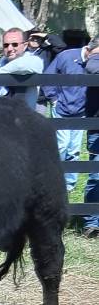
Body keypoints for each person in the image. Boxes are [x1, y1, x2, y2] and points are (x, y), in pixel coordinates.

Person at [43, 40, 92, 193]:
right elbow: (48, 78)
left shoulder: (94, 64)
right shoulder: (66, 56)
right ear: (90, 49)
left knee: (74, 150)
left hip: (81, 111)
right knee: (61, 146)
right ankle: (53, 181)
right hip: (62, 109)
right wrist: (54, 100)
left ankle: (69, 186)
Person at [0, 28, 44, 109]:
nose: (9, 49)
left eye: (15, 44)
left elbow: (21, 66)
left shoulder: (34, 61)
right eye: (6, 45)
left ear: (25, 45)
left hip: (24, 118)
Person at [77, 37, 99, 237]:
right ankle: (92, 222)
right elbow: (92, 68)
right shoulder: (94, 59)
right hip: (97, 125)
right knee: (96, 174)